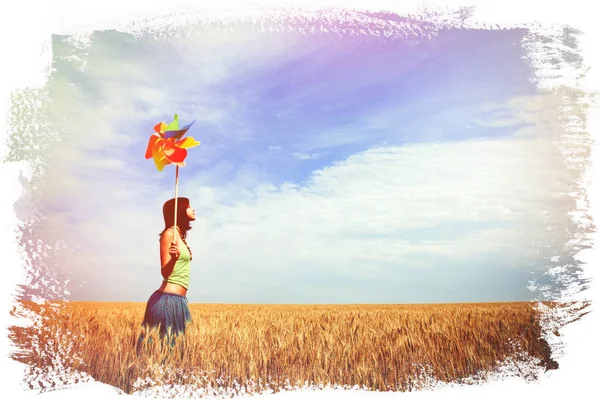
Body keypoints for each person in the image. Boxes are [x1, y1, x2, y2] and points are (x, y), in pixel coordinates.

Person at [136, 197, 196, 351]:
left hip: (179, 301)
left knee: (175, 355)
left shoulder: (180, 235)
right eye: (189, 206)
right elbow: (164, 271)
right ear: (180, 211)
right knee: (163, 354)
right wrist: (174, 259)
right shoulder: (169, 234)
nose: (193, 209)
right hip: (168, 302)